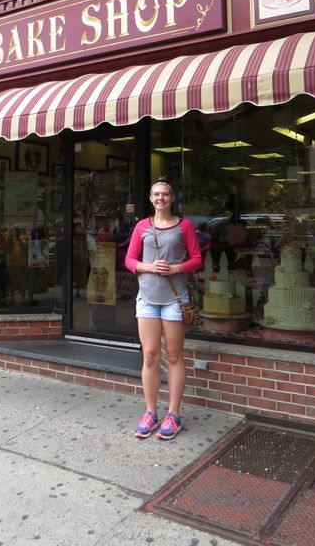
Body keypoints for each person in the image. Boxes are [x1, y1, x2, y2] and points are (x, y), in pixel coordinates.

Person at [125, 180, 202, 441]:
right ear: (150, 198)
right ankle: (150, 412)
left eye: (165, 194)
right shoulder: (141, 226)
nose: (161, 198)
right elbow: (129, 260)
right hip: (146, 298)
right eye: (156, 194)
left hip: (174, 299)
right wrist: (149, 267)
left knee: (175, 355)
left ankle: (174, 414)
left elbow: (197, 258)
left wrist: (176, 269)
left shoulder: (184, 226)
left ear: (172, 198)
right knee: (149, 355)